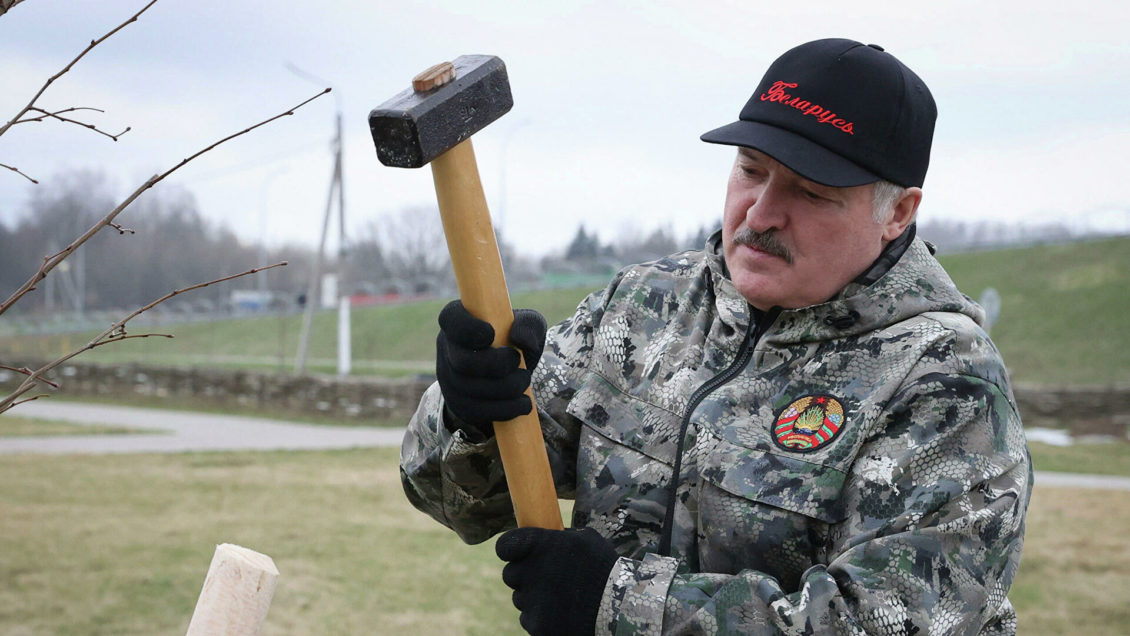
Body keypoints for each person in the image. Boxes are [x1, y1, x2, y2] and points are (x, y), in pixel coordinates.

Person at [401, 38, 1032, 635]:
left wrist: (621, 608)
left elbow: (891, 619)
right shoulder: (646, 305)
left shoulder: (944, 381)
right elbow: (456, 502)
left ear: (897, 212)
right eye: (751, 170)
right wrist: (469, 416)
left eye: (810, 192)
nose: (760, 214)